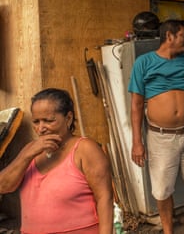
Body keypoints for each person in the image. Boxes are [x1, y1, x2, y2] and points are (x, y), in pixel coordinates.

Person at [128, 19, 184, 234]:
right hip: (160, 137)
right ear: (169, 36)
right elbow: (137, 105)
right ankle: (168, 232)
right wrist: (137, 142)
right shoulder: (144, 62)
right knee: (162, 190)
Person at [0, 88, 113, 233]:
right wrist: (27, 155)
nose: (41, 128)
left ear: (68, 118)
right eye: (36, 121)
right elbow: (3, 186)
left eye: (49, 121)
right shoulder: (30, 151)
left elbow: (105, 198)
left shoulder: (84, 149)